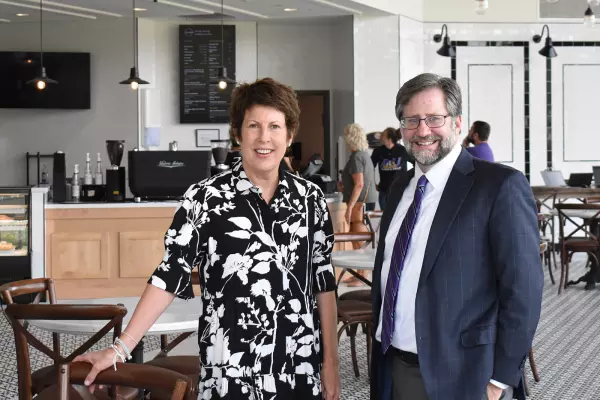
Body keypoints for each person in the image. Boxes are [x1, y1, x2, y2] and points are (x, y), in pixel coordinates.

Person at [75, 78, 341, 400]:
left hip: (299, 366)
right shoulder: (206, 198)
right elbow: (169, 275)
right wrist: (120, 349)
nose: (264, 137)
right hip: (229, 370)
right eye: (253, 125)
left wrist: (330, 363)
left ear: (290, 133)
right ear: (237, 133)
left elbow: (323, 285)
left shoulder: (310, 199)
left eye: (274, 126)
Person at [370, 73, 543, 400]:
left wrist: (499, 380)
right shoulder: (399, 189)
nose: (422, 131)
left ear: (458, 122)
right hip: (395, 367)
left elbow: (523, 291)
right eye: (411, 120)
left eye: (434, 118)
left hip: (468, 376)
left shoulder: (498, 186)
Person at [340, 123, 378, 286]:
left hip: (359, 204)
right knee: (357, 238)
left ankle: (363, 274)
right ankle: (359, 274)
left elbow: (359, 184)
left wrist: (349, 207)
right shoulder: (364, 155)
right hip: (366, 201)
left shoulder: (356, 157)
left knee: (358, 238)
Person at [371, 127, 413, 209]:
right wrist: (373, 184)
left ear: (389, 138)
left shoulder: (403, 150)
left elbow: (415, 165)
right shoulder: (378, 151)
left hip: (399, 190)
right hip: (384, 190)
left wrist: (409, 180)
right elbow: (370, 167)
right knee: (384, 217)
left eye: (383, 135)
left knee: (398, 216)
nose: (381, 136)